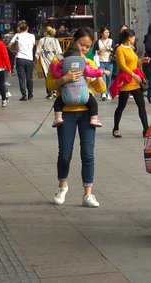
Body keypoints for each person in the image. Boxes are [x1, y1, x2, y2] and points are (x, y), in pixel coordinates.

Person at [46, 27, 106, 207]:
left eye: (87, 47)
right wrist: (65, 78)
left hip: (87, 112)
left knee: (88, 154)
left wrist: (98, 74)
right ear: (74, 40)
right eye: (81, 44)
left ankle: (88, 193)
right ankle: (62, 185)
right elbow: (50, 84)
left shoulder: (88, 63)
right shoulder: (59, 61)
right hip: (65, 111)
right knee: (65, 153)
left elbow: (101, 89)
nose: (83, 49)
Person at [50, 46, 110, 127]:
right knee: (93, 103)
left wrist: (54, 66)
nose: (84, 48)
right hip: (83, 93)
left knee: (57, 103)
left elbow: (56, 74)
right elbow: (91, 72)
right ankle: (94, 119)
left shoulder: (62, 65)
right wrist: (101, 72)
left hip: (67, 93)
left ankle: (58, 118)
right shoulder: (83, 64)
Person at [112, 29, 149, 138]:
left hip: (135, 81)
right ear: (129, 37)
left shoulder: (131, 49)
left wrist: (142, 61)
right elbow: (122, 65)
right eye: (133, 37)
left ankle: (146, 129)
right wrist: (133, 75)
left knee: (141, 105)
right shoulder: (120, 49)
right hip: (126, 81)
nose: (134, 39)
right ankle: (116, 128)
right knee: (121, 106)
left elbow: (133, 62)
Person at [8, 20, 35, 101]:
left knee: (21, 78)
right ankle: (30, 94)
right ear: (27, 28)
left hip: (20, 58)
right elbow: (33, 45)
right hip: (29, 59)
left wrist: (14, 52)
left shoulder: (17, 35)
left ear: (19, 28)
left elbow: (9, 45)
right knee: (29, 77)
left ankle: (24, 95)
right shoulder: (32, 36)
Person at [35, 26, 62, 99]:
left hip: (45, 61)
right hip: (55, 61)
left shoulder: (42, 40)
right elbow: (59, 52)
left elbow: (38, 51)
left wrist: (36, 59)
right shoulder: (55, 40)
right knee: (56, 76)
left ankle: (50, 93)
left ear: (46, 32)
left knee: (47, 77)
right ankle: (56, 92)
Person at [93, 27, 114, 100]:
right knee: (103, 78)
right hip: (101, 62)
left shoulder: (111, 41)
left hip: (109, 62)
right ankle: (103, 93)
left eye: (108, 32)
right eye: (105, 32)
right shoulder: (98, 42)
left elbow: (115, 50)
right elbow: (93, 51)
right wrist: (97, 52)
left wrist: (111, 49)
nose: (107, 34)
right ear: (101, 34)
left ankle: (108, 92)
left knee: (109, 78)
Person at [0, 28, 12, 108]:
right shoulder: (0, 43)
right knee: (1, 84)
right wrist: (9, 68)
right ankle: (4, 101)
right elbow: (5, 56)